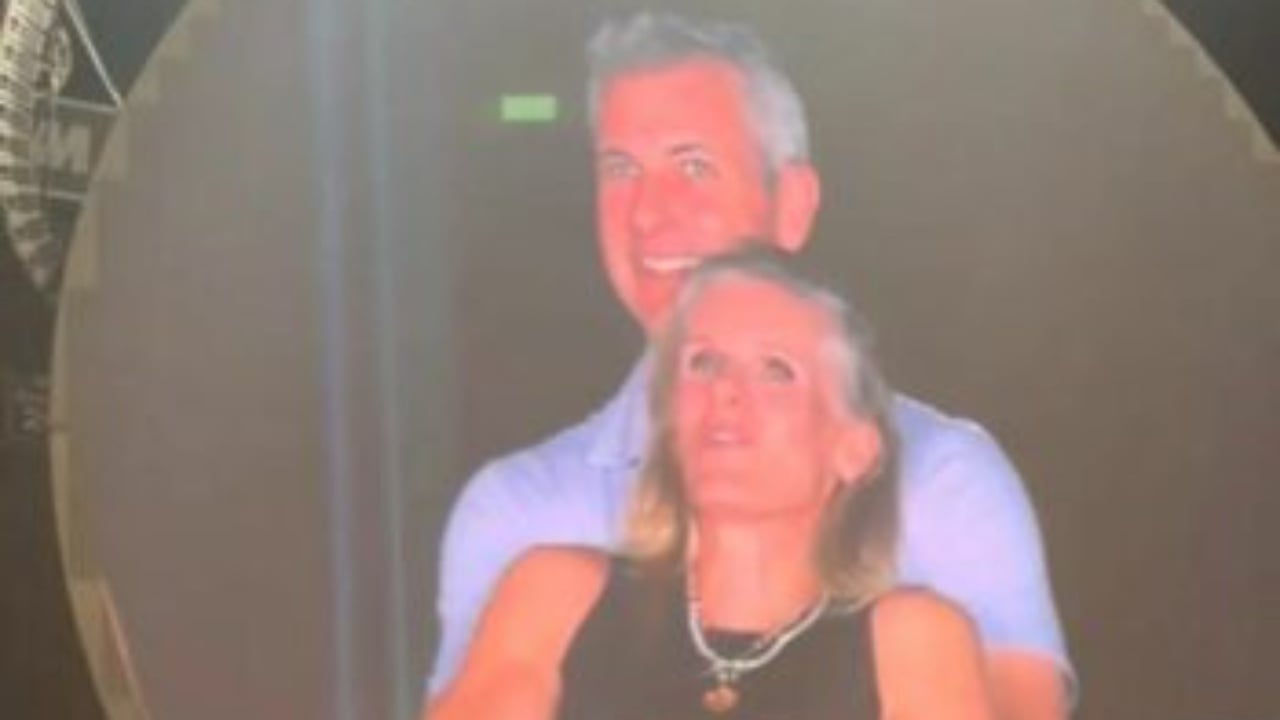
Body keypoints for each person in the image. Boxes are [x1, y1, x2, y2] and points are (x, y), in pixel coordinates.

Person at [427, 11, 1071, 718]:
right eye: (621, 169)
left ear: (792, 203)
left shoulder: (944, 483)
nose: (648, 214)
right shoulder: (523, 522)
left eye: (694, 166)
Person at [431, 247, 995, 719]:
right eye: (702, 363)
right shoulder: (558, 595)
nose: (724, 390)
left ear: (854, 449)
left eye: (776, 370)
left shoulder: (910, 639)